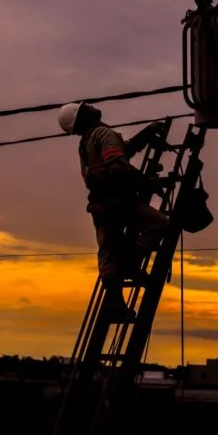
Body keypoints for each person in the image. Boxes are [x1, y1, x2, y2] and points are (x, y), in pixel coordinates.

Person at [58, 101, 169, 322]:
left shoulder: (86, 142)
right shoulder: (102, 133)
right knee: (160, 224)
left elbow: (123, 151)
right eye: (85, 108)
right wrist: (148, 183)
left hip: (101, 207)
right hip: (120, 202)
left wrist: (145, 134)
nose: (91, 107)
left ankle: (115, 303)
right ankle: (131, 261)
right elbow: (119, 165)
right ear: (81, 118)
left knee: (108, 253)